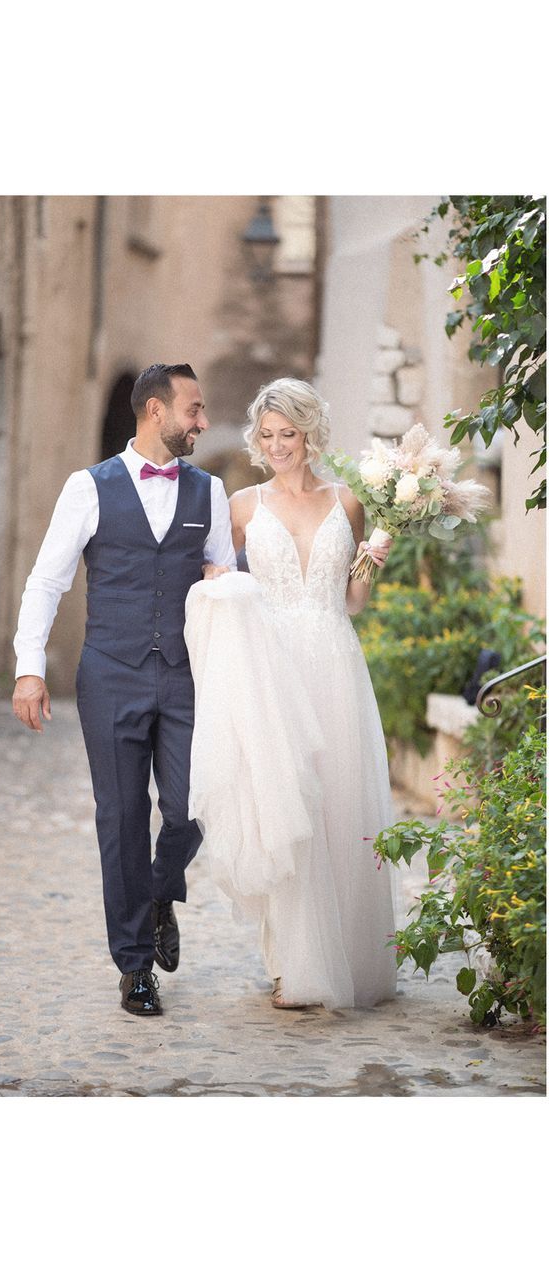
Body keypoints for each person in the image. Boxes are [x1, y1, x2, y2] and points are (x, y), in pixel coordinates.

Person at [12, 363, 236, 1016]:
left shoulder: (211, 493)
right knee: (121, 820)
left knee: (193, 805)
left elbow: (225, 585)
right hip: (111, 675)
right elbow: (47, 580)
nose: (202, 421)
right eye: (193, 410)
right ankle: (135, 967)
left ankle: (161, 891)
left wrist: (228, 576)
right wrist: (31, 666)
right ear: (155, 412)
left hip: (187, 675)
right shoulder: (88, 488)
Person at [188, 377, 397, 1009]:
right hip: (272, 671)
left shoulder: (350, 501)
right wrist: (217, 578)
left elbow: (352, 602)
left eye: (289, 433)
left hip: (335, 661)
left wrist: (372, 560)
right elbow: (213, 581)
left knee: (340, 804)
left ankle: (352, 961)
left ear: (310, 435)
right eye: (269, 434)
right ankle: (295, 966)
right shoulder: (242, 506)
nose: (278, 445)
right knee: (287, 811)